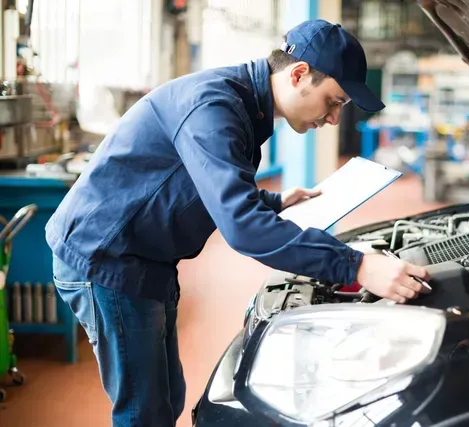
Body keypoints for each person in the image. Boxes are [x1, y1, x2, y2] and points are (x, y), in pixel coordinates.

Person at [45, 19, 430, 426]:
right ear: (298, 74)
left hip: (143, 256)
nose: (334, 119)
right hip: (106, 259)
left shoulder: (247, 107)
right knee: (144, 412)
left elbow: (198, 181)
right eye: (334, 102)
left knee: (166, 398)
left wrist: (273, 200)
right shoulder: (214, 107)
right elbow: (243, 228)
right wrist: (358, 266)